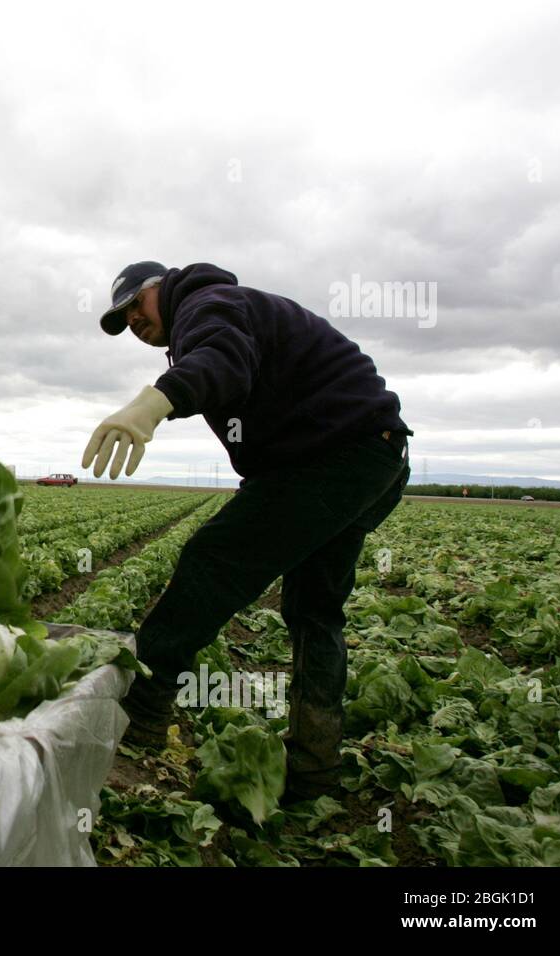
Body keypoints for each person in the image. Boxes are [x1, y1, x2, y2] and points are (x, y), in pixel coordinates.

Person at [82, 261, 412, 799]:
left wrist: (152, 403)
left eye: (134, 309)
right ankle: (314, 765)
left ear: (159, 288)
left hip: (333, 457)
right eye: (121, 322)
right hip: (374, 454)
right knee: (314, 610)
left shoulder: (209, 304)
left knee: (212, 560)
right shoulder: (221, 312)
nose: (133, 325)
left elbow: (222, 361)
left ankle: (141, 713)